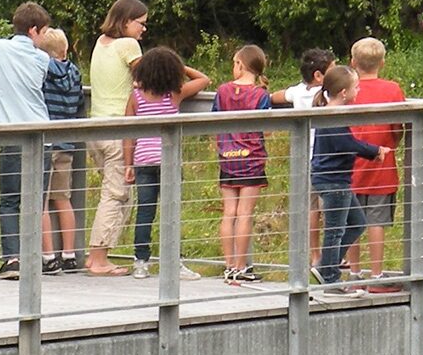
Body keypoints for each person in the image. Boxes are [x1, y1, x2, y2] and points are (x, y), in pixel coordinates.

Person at [0, 2, 53, 280]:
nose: (44, 38)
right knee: (35, 202)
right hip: (42, 135)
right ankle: (35, 258)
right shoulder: (43, 59)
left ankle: (13, 259)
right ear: (33, 30)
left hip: (13, 134)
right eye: (44, 32)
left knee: (9, 201)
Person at [123, 47, 210, 280]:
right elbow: (204, 79)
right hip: (168, 161)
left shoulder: (136, 97)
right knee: (171, 213)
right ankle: (174, 262)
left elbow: (128, 133)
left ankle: (140, 262)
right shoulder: (174, 93)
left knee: (145, 212)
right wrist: (180, 67)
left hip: (142, 160)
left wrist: (128, 164)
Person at [310, 64, 391, 301]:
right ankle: (331, 279)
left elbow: (346, 143)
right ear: (344, 92)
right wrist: (374, 150)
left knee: (357, 223)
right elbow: (346, 144)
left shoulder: (332, 112)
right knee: (335, 231)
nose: (358, 89)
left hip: (337, 180)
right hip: (333, 181)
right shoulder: (332, 116)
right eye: (356, 86)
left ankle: (326, 266)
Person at [83, 0, 148, 276]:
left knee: (112, 193)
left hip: (96, 128)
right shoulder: (128, 45)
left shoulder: (101, 42)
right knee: (116, 194)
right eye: (141, 23)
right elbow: (148, 75)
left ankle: (99, 254)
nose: (143, 29)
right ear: (125, 22)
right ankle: (98, 258)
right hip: (117, 131)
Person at [345, 37, 407, 290]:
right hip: (382, 167)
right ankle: (377, 276)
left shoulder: (347, 89)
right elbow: (398, 126)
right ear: (382, 62)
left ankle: (354, 275)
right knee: (376, 222)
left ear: (352, 62)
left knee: (352, 221)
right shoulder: (392, 90)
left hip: (350, 165)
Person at [212, 45, 272, 284]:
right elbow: (265, 126)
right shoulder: (261, 95)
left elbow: (213, 118)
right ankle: (241, 266)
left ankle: (228, 266)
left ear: (240, 65)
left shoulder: (222, 91)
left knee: (229, 213)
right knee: (245, 213)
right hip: (252, 158)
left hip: (227, 157)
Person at [273, 48, 336, 266]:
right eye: (333, 69)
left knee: (312, 210)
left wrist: (264, 94)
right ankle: (334, 254)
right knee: (331, 208)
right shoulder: (329, 94)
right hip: (327, 158)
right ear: (319, 75)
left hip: (305, 159)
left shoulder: (298, 92)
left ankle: (315, 255)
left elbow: (276, 96)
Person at [37, 27, 85, 275]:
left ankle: (48, 256)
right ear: (65, 50)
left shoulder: (42, 71)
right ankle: (69, 253)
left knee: (41, 202)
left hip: (46, 142)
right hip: (67, 142)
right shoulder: (75, 72)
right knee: (63, 199)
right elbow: (78, 102)